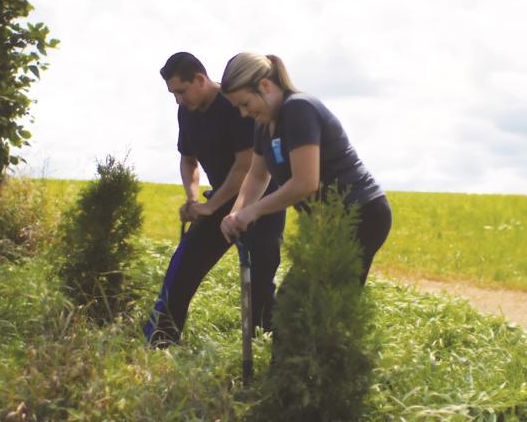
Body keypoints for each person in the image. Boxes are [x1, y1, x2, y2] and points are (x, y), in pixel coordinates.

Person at [143, 52, 286, 346]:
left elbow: (244, 167)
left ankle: (263, 349)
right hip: (218, 201)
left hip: (261, 203)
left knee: (259, 284)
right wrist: (193, 199)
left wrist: (210, 205)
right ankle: (161, 342)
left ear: (199, 79)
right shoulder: (186, 112)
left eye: (181, 91)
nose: (178, 100)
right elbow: (188, 161)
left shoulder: (234, 104)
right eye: (173, 94)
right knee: (184, 267)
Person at [219, 52, 391, 283]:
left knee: (311, 304)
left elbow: (305, 183)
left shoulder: (298, 109)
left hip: (359, 214)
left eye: (245, 103)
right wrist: (236, 214)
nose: (243, 113)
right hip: (327, 222)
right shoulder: (263, 124)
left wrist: (254, 210)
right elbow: (258, 176)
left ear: (265, 85)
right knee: (300, 305)